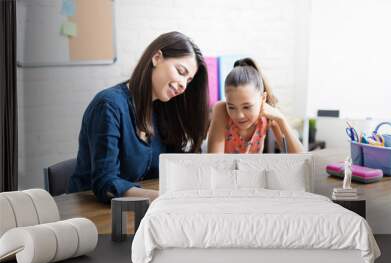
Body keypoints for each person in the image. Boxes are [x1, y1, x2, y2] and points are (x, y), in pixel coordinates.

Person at [69, 32, 209, 203]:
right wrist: (164, 198)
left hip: (132, 211)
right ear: (157, 58)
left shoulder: (162, 110)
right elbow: (105, 184)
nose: (183, 85)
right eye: (180, 72)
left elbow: (168, 170)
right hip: (88, 213)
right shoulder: (108, 106)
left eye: (188, 80)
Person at [207, 57, 303, 154]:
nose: (239, 115)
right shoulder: (221, 110)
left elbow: (301, 158)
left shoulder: (268, 116)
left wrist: (281, 119)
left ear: (263, 99)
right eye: (231, 107)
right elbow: (215, 162)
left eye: (247, 107)